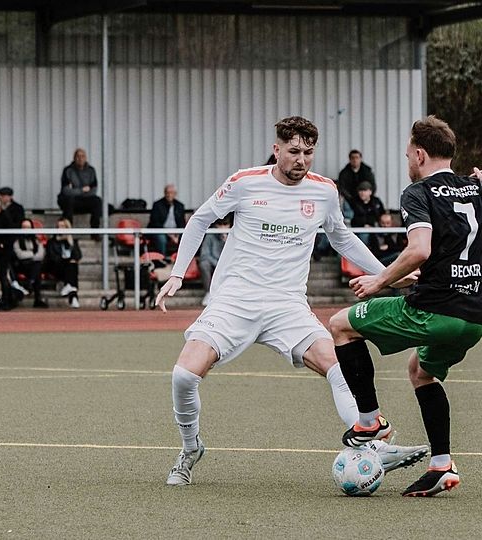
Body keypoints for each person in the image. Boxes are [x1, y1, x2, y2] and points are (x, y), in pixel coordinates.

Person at [156, 116, 427, 487]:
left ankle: (371, 445)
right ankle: (191, 448)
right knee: (184, 376)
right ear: (277, 149)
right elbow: (200, 219)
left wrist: (386, 273)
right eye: (294, 151)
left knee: (338, 364)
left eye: (309, 152)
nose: (302, 159)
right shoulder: (244, 182)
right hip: (235, 300)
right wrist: (176, 272)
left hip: (287, 305)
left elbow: (342, 239)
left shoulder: (324, 191)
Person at [329, 115, 482, 497]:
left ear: (419, 155)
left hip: (432, 310)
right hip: (474, 318)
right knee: (421, 371)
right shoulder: (475, 189)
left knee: (340, 324)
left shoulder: (417, 193)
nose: (408, 161)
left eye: (408, 154)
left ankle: (370, 422)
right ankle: (441, 464)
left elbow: (419, 249)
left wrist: (378, 281)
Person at [58, 148, 102, 230]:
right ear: (74, 158)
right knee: (69, 200)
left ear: (86, 158)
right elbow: (66, 191)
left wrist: (74, 190)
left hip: (85, 200)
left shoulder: (91, 171)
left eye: (82, 156)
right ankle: (68, 231)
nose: (80, 158)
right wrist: (82, 190)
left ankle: (95, 232)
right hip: (72, 200)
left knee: (97, 201)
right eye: (78, 156)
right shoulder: (68, 170)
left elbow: (94, 190)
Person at [44, 217, 82, 309]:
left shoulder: (72, 241)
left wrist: (71, 243)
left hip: (68, 268)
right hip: (55, 267)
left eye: (63, 226)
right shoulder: (52, 242)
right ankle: (73, 296)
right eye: (58, 226)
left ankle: (71, 291)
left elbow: (78, 256)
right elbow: (52, 257)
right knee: (71, 266)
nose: (60, 228)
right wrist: (66, 260)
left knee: (72, 265)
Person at [12, 218, 48, 308]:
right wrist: (32, 254)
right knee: (37, 268)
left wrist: (31, 256)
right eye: (24, 227)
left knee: (37, 267)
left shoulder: (36, 240)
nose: (26, 229)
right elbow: (19, 254)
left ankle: (30, 284)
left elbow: (41, 254)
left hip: (33, 265)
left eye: (28, 227)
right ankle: (37, 297)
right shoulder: (17, 240)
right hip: (21, 265)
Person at [198, 217, 230, 306]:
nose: (223, 227)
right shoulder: (210, 235)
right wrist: (217, 264)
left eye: (225, 224)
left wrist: (225, 242)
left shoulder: (233, 236)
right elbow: (204, 255)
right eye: (220, 225)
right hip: (214, 263)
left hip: (229, 264)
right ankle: (208, 293)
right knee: (204, 264)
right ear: (216, 225)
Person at [147, 184, 186, 257]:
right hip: (161, 231)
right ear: (164, 193)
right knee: (161, 238)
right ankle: (162, 258)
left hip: (175, 232)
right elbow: (155, 223)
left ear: (175, 194)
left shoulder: (180, 206)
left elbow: (182, 223)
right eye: (167, 192)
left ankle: (180, 259)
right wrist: (170, 235)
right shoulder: (157, 205)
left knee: (185, 237)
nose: (169, 195)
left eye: (171, 193)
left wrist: (178, 234)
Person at [348, 181, 385, 246]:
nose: (362, 193)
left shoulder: (376, 202)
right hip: (359, 229)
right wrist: (363, 224)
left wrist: (374, 225)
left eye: (365, 190)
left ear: (370, 192)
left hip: (376, 227)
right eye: (360, 190)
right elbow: (352, 218)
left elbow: (382, 215)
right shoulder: (354, 202)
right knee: (364, 236)